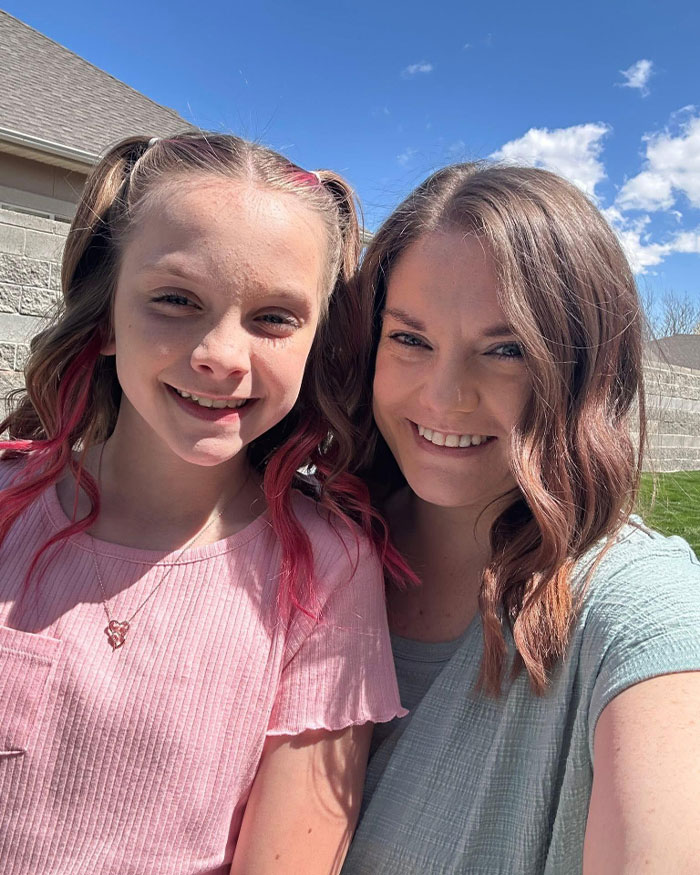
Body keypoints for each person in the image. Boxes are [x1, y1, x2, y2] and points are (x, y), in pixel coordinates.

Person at [0, 133, 407, 875]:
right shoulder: (7, 503)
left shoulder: (330, 570)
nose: (221, 352)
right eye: (176, 300)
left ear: (316, 344)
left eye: (275, 318)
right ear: (105, 319)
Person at [341, 163, 700, 874]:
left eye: (506, 350)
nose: (445, 397)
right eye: (410, 338)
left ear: (585, 370)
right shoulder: (293, 542)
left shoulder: (635, 605)